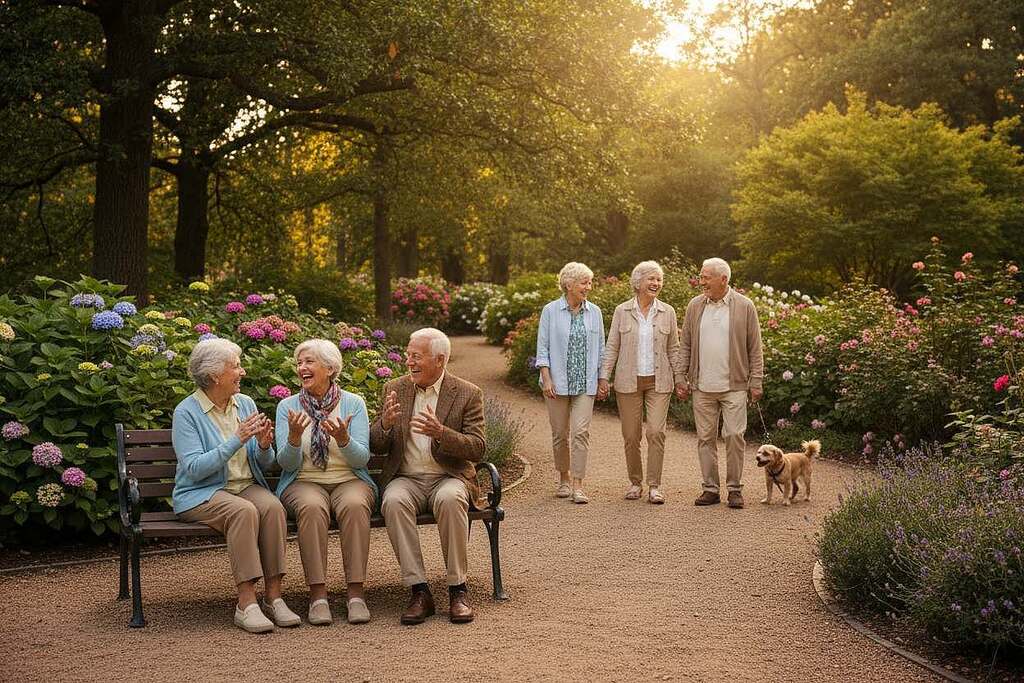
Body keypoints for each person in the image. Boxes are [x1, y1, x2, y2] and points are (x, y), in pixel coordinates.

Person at [171, 338, 300, 633]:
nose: (242, 372)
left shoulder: (245, 403)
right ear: (215, 375)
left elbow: (261, 462)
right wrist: (236, 440)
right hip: (201, 493)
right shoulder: (186, 412)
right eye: (236, 367)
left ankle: (274, 598)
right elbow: (193, 469)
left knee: (272, 507)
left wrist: (265, 447)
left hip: (243, 485)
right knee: (243, 512)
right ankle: (246, 603)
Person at [369, 328, 486, 625]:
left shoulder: (467, 393)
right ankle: (419, 591)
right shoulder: (395, 388)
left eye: (416, 357)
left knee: (450, 498)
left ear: (440, 360)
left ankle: (457, 589)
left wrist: (441, 433)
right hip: (405, 478)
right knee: (393, 501)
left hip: (448, 477)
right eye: (408, 355)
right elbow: (376, 444)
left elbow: (478, 448)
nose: (409, 362)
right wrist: (384, 424)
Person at [275, 339, 378, 626]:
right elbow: (285, 464)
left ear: (330, 368)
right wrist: (294, 439)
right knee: (310, 507)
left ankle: (356, 595)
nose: (302, 368)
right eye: (299, 363)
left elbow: (360, 461)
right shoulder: (288, 407)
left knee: (356, 505)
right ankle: (318, 596)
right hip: (303, 480)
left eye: (309, 362)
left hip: (349, 478)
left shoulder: (353, 403)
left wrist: (344, 439)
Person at [678, 257, 764, 509]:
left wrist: (755, 381)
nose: (701, 281)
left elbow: (755, 348)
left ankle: (735, 489)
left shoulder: (744, 306)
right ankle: (710, 489)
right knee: (705, 439)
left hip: (734, 385)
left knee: (735, 436)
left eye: (706, 277)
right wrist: (680, 377)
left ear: (723, 279)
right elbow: (686, 344)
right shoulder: (695, 306)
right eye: (701, 276)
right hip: (702, 386)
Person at [598, 261, 685, 504]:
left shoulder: (667, 312)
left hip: (660, 380)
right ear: (638, 283)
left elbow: (674, 349)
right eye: (651, 279)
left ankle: (654, 486)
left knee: (656, 432)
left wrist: (680, 378)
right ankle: (635, 482)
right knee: (631, 435)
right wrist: (604, 376)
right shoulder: (621, 311)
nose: (656, 283)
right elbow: (612, 345)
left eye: (658, 279)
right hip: (628, 381)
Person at [535, 262, 604, 504]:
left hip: (586, 383)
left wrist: (603, 378)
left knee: (581, 433)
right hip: (556, 383)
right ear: (569, 285)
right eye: (584, 283)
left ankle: (578, 484)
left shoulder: (594, 312)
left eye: (590, 282)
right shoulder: (551, 311)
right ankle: (563, 478)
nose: (589, 287)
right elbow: (542, 347)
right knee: (559, 434)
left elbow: (601, 349)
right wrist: (546, 378)